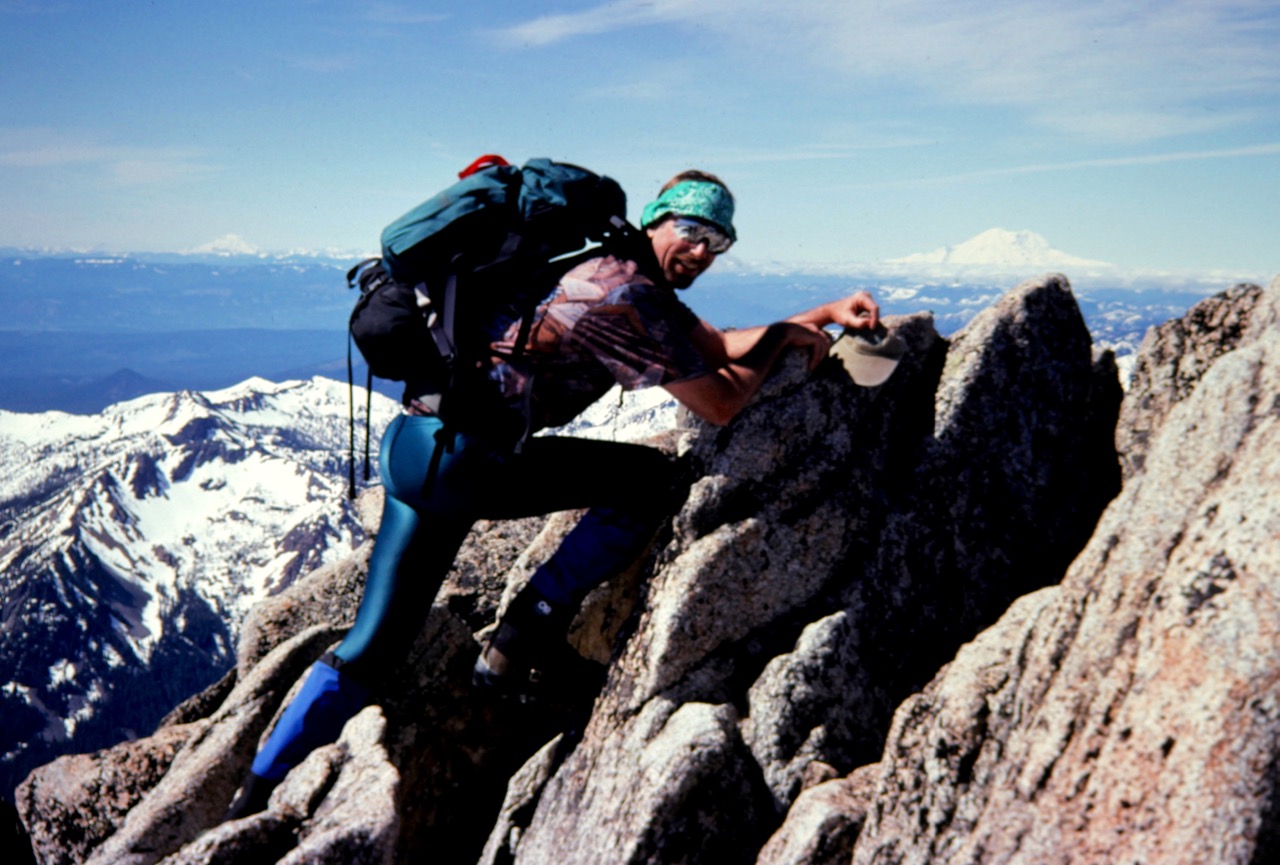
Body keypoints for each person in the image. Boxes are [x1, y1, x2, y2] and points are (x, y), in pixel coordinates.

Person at [226, 169, 880, 818]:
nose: (704, 250)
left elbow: (713, 346)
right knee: (648, 480)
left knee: (372, 649)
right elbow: (720, 401)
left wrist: (820, 315)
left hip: (416, 447)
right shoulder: (624, 296)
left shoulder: (610, 270)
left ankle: (254, 795)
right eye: (693, 229)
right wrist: (785, 339)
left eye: (720, 241)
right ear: (657, 219)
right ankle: (522, 636)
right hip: (468, 463)